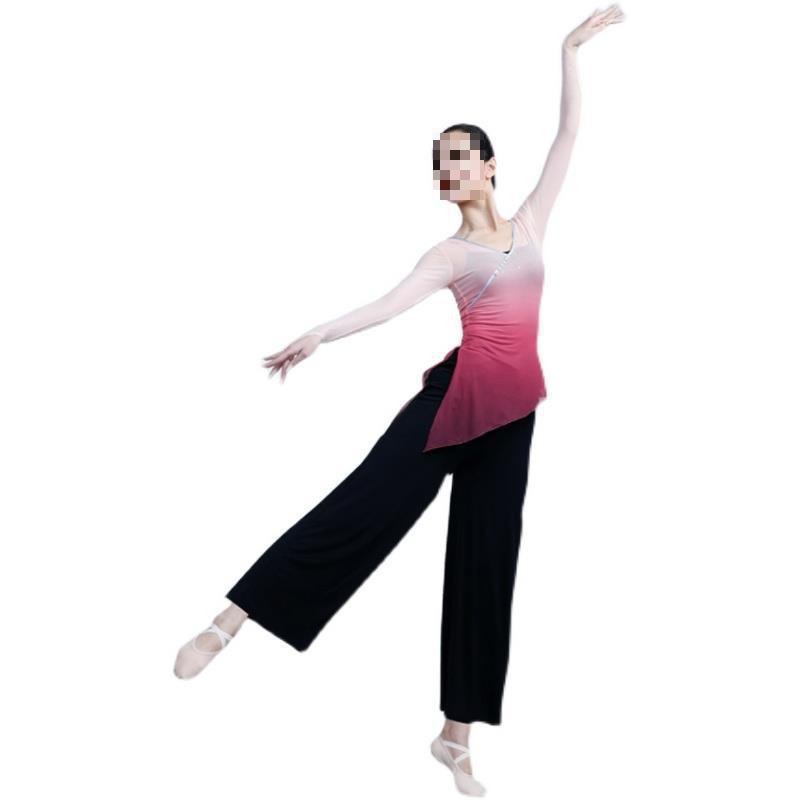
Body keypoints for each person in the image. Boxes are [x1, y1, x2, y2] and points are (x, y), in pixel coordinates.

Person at [174, 6, 625, 796]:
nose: (448, 170)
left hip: (513, 415)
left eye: (458, 157)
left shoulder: (530, 224)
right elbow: (387, 306)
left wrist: (569, 50)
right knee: (363, 508)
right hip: (452, 404)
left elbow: (568, 135)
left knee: (488, 564)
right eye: (438, 164)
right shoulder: (448, 253)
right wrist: (321, 333)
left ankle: (455, 737)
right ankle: (232, 619)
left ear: (488, 165)